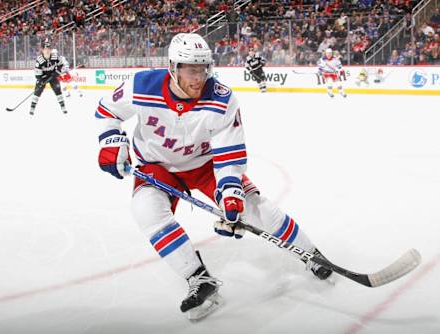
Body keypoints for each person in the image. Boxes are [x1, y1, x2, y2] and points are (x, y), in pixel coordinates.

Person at [95, 33, 332, 321]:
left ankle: (311, 254)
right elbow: (108, 110)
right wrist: (111, 141)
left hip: (207, 165)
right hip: (156, 166)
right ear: (173, 67)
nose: (199, 77)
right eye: (191, 70)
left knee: (257, 208)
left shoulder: (222, 98)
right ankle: (200, 279)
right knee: (145, 210)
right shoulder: (141, 86)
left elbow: (229, 155)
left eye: (203, 68)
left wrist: (230, 193)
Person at [30, 38, 68, 115]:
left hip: (53, 76)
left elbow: (61, 66)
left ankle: (63, 108)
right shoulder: (39, 60)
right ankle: (32, 108)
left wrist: (57, 72)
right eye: (45, 49)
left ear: (51, 50)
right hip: (43, 77)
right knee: (37, 91)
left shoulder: (55, 57)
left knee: (58, 90)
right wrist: (40, 81)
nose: (47, 50)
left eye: (49, 49)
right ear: (42, 50)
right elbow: (37, 75)